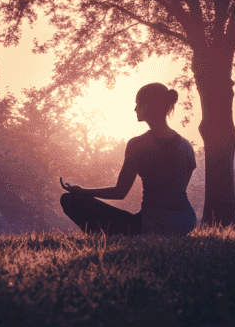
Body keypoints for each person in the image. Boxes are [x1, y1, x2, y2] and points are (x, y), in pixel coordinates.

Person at [60, 83, 197, 236]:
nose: (135, 109)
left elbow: (120, 192)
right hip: (185, 223)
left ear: (149, 106)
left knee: (70, 200)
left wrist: (82, 191)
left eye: (138, 104)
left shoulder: (138, 144)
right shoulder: (186, 147)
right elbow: (179, 190)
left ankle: (106, 240)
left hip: (151, 226)